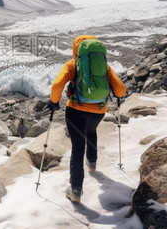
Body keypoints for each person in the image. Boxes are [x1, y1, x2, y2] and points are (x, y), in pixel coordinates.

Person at [48, 35, 126, 203]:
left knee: (77, 147)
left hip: (75, 111)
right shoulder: (104, 66)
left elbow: (56, 86)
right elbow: (120, 90)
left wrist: (53, 102)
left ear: (77, 49)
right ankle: (92, 164)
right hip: (98, 111)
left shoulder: (72, 64)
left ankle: (75, 189)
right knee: (91, 132)